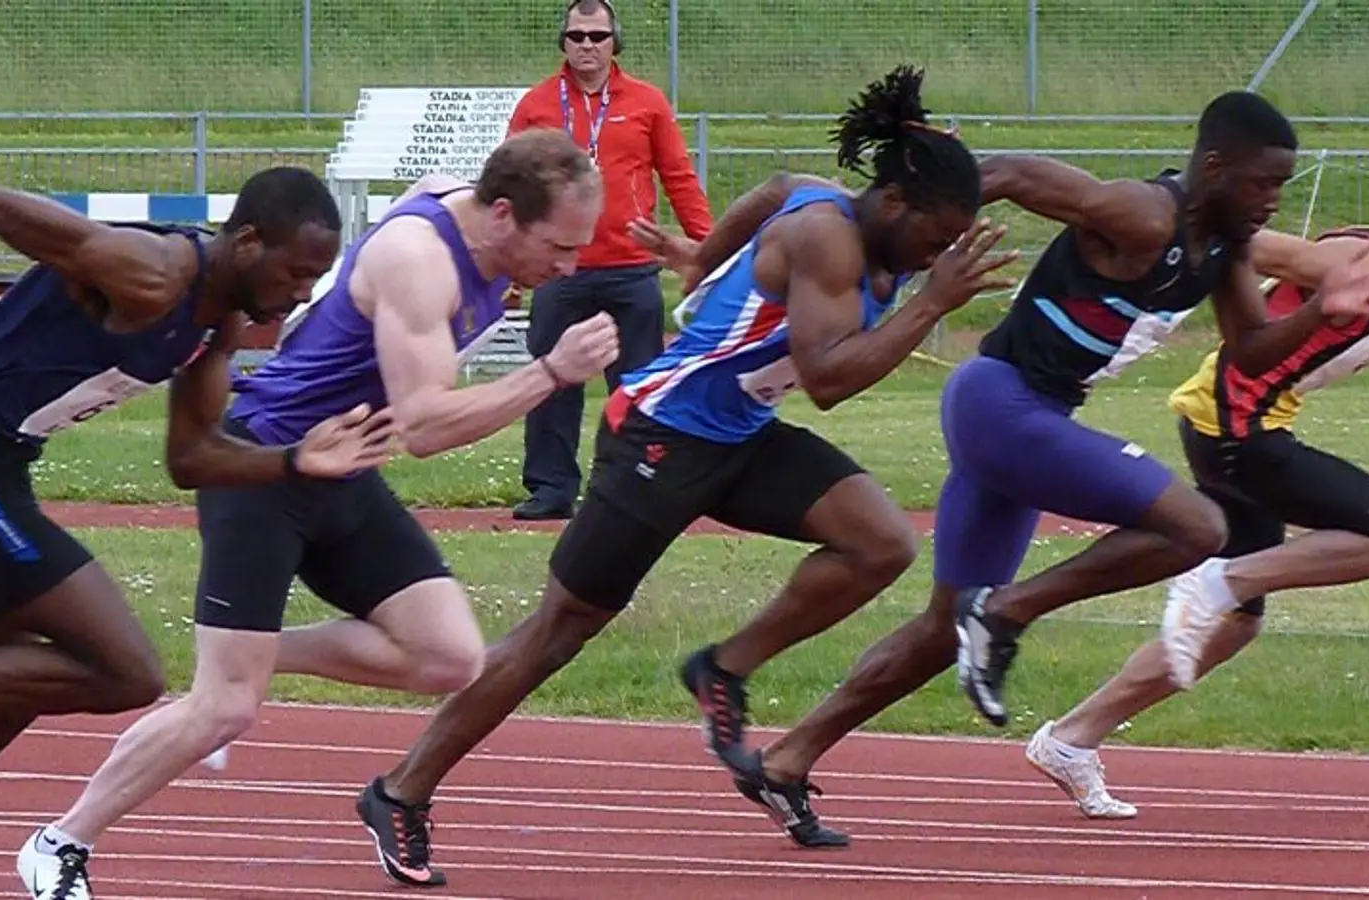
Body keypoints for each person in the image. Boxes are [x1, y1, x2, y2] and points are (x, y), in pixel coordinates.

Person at [352, 66, 1018, 884]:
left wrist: (705, 258)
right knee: (559, 632)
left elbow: (771, 188)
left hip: (737, 434)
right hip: (661, 437)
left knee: (879, 542)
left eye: (949, 245)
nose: (938, 254)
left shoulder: (846, 219)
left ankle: (723, 668)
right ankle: (401, 790)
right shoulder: (830, 238)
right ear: (892, 203)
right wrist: (931, 303)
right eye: (935, 238)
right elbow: (832, 380)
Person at [718, 90, 1369, 848]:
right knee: (1198, 528)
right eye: (1262, 182)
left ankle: (787, 759)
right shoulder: (1143, 213)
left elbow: (1250, 354)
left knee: (945, 629)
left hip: (1029, 418)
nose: (1273, 200)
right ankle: (1007, 611)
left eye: (1283, 185)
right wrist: (893, 217)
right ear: (1213, 167)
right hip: (1001, 404)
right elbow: (1008, 171)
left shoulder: (1228, 249)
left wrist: (1321, 312)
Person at [12, 127, 620, 899]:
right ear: (503, 213)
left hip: (344, 466)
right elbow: (427, 426)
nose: (569, 267)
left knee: (449, 657)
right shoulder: (421, 260)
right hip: (263, 464)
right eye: (560, 247)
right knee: (224, 708)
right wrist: (550, 372)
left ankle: (251, 656)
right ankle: (57, 843)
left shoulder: (465, 222)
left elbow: (429, 189)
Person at [0, 167, 395, 900]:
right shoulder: (154, 271)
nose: (299, 293)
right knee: (127, 673)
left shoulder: (216, 325)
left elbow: (191, 459)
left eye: (316, 278)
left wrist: (295, 460)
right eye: (295, 272)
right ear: (248, 240)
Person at [1027, 129, 1369, 820]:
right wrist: (1180, 222)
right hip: (1232, 424)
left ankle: (1071, 738)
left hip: (1255, 431)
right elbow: (1244, 241)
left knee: (1235, 626)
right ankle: (1218, 577)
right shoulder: (1365, 255)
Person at [509, 0, 713, 521]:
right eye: (576, 36)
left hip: (631, 265)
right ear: (564, 42)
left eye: (597, 36)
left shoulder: (646, 102)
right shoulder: (537, 104)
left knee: (639, 384)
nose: (587, 46)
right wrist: (510, 266)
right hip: (560, 268)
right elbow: (510, 184)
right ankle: (551, 486)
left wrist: (709, 249)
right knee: (553, 379)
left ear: (613, 42)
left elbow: (678, 176)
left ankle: (636, 482)